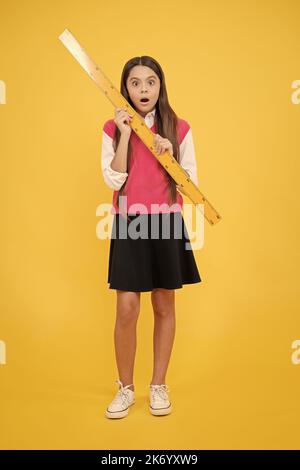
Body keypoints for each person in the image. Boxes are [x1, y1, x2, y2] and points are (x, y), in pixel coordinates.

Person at [100, 56, 201, 419]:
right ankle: (125, 389)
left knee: (164, 305)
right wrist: (125, 135)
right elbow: (113, 180)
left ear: (161, 86)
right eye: (135, 83)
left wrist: (170, 154)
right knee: (127, 308)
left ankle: (158, 385)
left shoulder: (180, 128)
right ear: (125, 88)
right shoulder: (113, 129)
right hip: (130, 222)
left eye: (150, 82)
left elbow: (190, 185)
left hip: (166, 224)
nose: (143, 89)